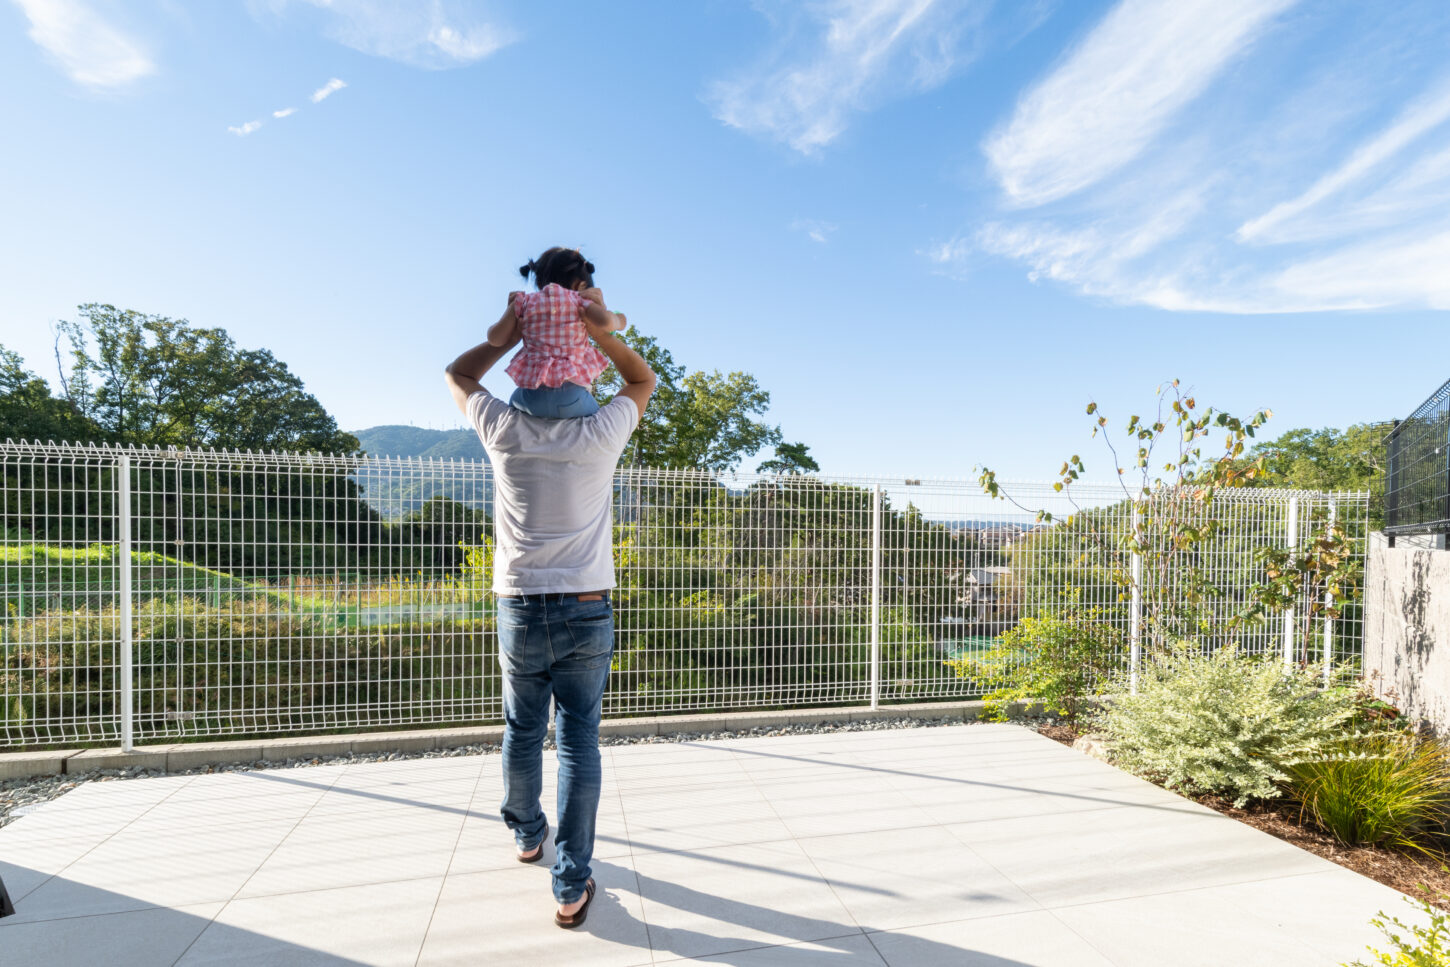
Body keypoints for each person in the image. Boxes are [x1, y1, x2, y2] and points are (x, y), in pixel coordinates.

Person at [445, 293, 655, 928]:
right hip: (587, 606)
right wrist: (602, 329)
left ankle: (527, 833)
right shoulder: (601, 431)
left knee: (522, 728)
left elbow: (458, 373)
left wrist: (513, 335)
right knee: (579, 739)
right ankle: (569, 885)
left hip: (519, 604)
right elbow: (640, 380)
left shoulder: (503, 428)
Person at [486, 246, 627, 420]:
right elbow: (606, 322)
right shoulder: (580, 301)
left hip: (528, 399)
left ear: (538, 282)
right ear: (581, 285)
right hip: (572, 399)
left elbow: (495, 339)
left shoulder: (523, 302)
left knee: (514, 404)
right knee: (597, 417)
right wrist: (619, 319)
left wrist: (511, 311)